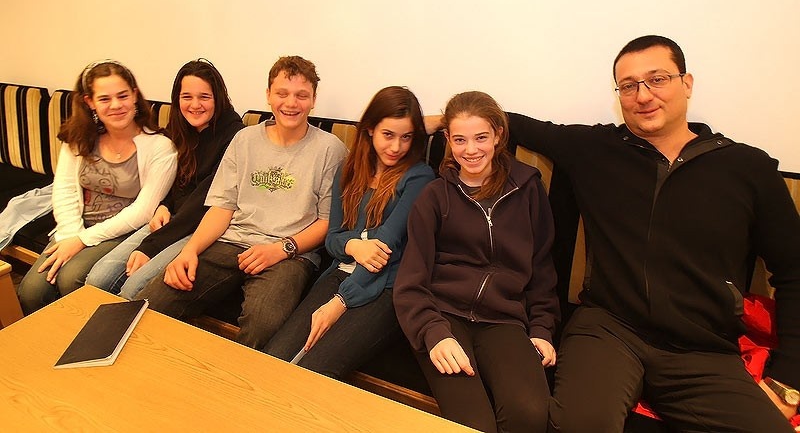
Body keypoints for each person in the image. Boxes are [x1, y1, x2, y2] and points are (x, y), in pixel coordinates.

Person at [506, 35, 800, 432]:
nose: (643, 95)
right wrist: (438, 120)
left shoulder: (747, 168)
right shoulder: (596, 149)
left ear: (687, 83)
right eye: (628, 86)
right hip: (608, 330)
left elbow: (794, 270)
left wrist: (788, 378)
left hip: (703, 349)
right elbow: (510, 123)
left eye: (657, 79)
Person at [135, 56, 348, 350]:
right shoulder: (244, 140)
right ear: (268, 95)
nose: (291, 103)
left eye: (301, 95)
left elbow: (327, 222)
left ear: (313, 99)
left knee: (263, 327)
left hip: (290, 254)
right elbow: (222, 207)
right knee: (152, 300)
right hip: (231, 241)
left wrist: (281, 249)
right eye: (282, 93)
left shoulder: (331, 149)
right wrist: (189, 251)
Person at [393, 91, 559, 433]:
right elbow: (410, 282)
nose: (471, 150)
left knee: (530, 415)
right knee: (474, 424)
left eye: (481, 137)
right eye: (460, 140)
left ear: (498, 135)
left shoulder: (528, 189)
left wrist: (542, 329)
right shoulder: (434, 197)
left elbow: (542, 268)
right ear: (447, 139)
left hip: (504, 319)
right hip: (443, 316)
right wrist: (433, 333)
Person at [264, 86, 435, 378]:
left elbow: (384, 247)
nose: (396, 147)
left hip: (386, 287)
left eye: (406, 137)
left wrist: (340, 301)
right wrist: (354, 246)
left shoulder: (419, 177)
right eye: (388, 135)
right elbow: (332, 239)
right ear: (370, 129)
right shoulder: (348, 170)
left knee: (313, 370)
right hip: (339, 274)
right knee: (275, 358)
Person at [17, 60, 177, 314]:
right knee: (31, 292)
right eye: (104, 99)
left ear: (135, 95)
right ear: (90, 102)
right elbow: (65, 189)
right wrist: (70, 235)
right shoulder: (79, 138)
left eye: (122, 96)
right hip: (77, 226)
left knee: (72, 279)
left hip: (122, 231)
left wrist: (82, 240)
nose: (116, 105)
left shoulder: (159, 146)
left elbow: (144, 210)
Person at [86, 59, 244, 299]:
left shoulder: (235, 136)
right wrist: (164, 205)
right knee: (98, 279)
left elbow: (203, 202)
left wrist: (151, 246)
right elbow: (172, 179)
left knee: (133, 288)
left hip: (201, 228)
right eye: (186, 97)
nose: (195, 105)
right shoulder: (180, 128)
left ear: (218, 98)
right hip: (171, 221)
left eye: (204, 97)